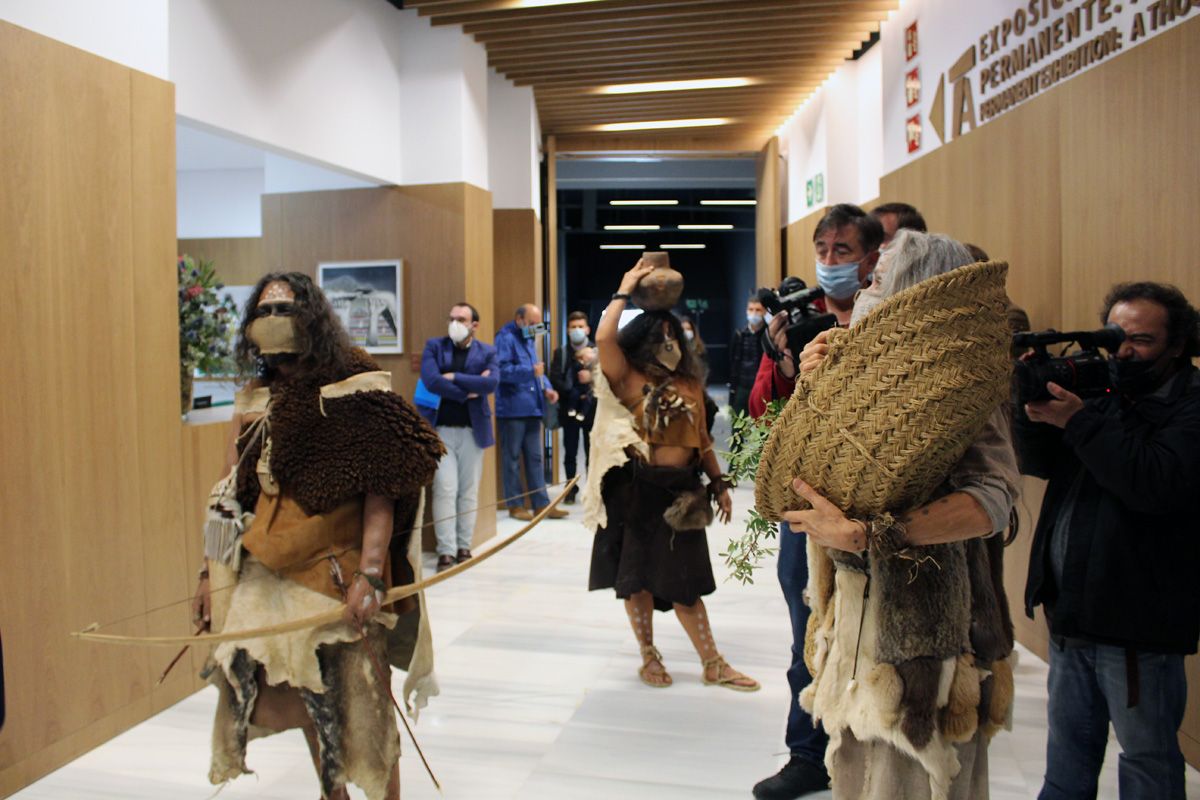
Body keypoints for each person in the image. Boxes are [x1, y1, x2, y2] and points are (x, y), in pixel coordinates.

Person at [192, 272, 444, 800]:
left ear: (311, 316)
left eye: (284, 309)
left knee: (365, 710)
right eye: (264, 310)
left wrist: (370, 573)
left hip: (338, 574)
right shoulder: (257, 398)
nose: (273, 320)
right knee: (308, 703)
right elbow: (231, 492)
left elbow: (383, 488)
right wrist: (207, 576)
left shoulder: (354, 385)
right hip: (270, 572)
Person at [787, 231, 1020, 800]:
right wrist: (813, 388)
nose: (862, 291)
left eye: (875, 280)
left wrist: (874, 535)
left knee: (915, 773)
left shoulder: (964, 378)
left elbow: (995, 496)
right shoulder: (858, 365)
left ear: (916, 292)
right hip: (856, 613)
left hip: (931, 629)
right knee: (855, 766)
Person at [1015, 282, 1200, 800]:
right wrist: (1033, 413)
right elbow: (1041, 464)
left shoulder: (1190, 406)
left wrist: (1078, 420)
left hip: (1138, 624)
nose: (1123, 351)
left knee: (1146, 761)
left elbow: (1153, 483)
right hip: (1071, 611)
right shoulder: (1102, 393)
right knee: (1068, 756)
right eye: (1116, 336)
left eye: (1141, 340)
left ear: (1177, 345)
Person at [751, 202, 886, 800]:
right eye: (823, 251)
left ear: (872, 257)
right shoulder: (799, 321)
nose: (830, 262)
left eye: (843, 251)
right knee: (806, 632)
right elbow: (763, 412)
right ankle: (807, 756)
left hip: (876, 508)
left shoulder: (893, 319)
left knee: (873, 636)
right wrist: (783, 361)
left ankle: (870, 751)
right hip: (807, 505)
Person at [585, 259, 760, 693]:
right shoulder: (627, 377)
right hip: (635, 492)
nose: (669, 341)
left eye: (673, 333)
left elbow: (702, 441)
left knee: (685, 583)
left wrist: (718, 483)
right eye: (660, 335)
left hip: (682, 493)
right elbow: (604, 337)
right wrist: (624, 287)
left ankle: (712, 663)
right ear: (643, 340)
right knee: (636, 580)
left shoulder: (690, 384)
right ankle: (648, 655)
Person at [419, 302, 499, 572]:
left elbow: (491, 383)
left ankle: (464, 547)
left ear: (474, 325)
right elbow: (431, 380)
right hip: (440, 430)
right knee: (444, 489)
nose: (454, 323)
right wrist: (467, 392)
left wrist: (453, 376)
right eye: (451, 318)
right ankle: (446, 551)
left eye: (461, 319)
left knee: (468, 491)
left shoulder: (487, 351)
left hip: (473, 431)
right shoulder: (435, 346)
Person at [496, 304, 567, 521]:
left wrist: (547, 388)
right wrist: (530, 372)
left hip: (533, 406)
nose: (536, 327)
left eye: (538, 323)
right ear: (519, 319)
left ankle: (541, 504)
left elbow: (538, 369)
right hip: (512, 409)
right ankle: (515, 505)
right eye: (532, 323)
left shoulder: (528, 338)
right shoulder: (505, 338)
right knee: (512, 459)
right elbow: (501, 371)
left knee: (536, 458)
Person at [550, 311, 594, 504]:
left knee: (593, 451)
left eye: (580, 327)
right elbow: (555, 378)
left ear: (587, 329)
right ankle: (570, 488)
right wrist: (572, 390)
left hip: (592, 410)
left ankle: (593, 489)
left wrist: (591, 378)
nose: (577, 330)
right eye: (573, 327)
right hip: (569, 409)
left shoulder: (597, 351)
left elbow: (608, 376)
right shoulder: (561, 353)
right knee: (570, 451)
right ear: (567, 330)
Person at [729, 296, 767, 419]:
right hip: (742, 385)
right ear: (746, 311)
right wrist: (733, 387)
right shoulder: (740, 334)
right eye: (751, 309)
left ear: (764, 312)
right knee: (738, 421)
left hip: (761, 386)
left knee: (762, 422)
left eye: (758, 310)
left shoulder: (768, 335)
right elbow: (733, 361)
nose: (754, 313)